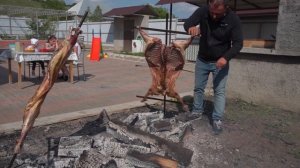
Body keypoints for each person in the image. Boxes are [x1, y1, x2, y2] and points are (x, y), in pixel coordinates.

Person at [184, 0, 243, 134]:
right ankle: (197, 111)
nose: (214, 16)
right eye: (212, 13)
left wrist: (225, 57)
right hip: (202, 59)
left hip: (220, 61)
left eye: (218, 14)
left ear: (226, 8)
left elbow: (238, 43)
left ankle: (217, 119)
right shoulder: (203, 11)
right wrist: (190, 28)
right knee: (199, 88)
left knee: (219, 91)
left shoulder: (233, 19)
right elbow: (187, 23)